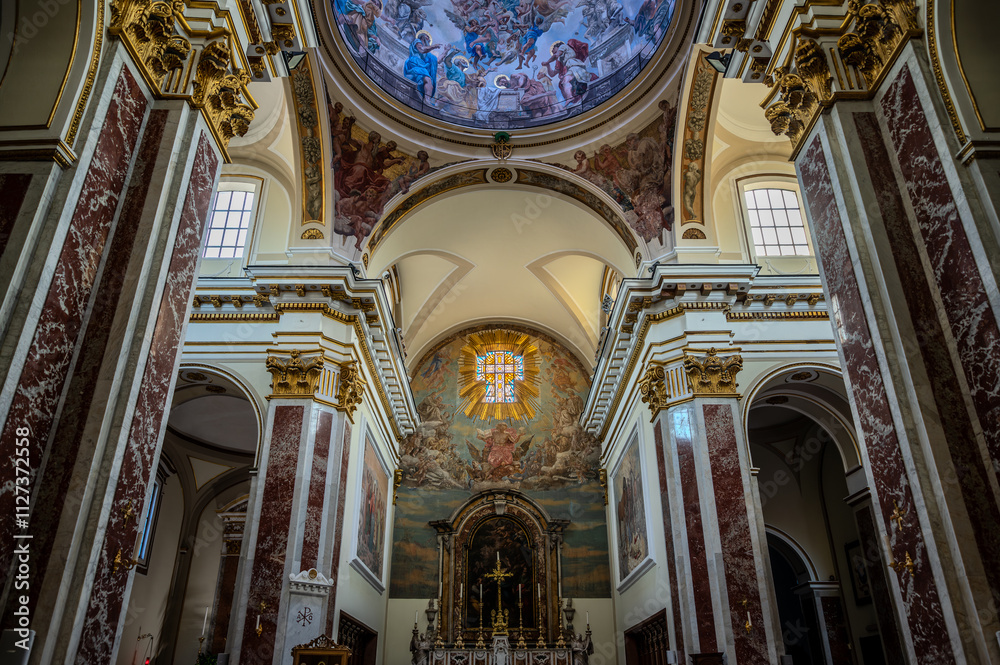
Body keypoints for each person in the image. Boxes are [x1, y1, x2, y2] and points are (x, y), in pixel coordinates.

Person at [404, 31, 442, 102]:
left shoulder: (428, 53)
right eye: (427, 37)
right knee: (428, 79)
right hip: (414, 63)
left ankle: (427, 100)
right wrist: (434, 46)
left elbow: (437, 61)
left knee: (430, 82)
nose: (428, 39)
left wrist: (446, 51)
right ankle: (427, 99)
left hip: (422, 66)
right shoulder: (417, 41)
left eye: (429, 39)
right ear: (422, 36)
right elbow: (421, 50)